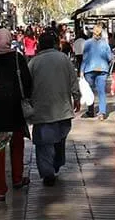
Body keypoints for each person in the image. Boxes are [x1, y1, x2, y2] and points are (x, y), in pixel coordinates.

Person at [0, 29, 33, 200]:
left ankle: (1, 189)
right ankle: (17, 178)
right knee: (17, 146)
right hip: (15, 110)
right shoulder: (18, 58)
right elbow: (27, 83)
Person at [28, 31, 81, 186]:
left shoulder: (33, 63)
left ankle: (47, 172)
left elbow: (27, 86)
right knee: (59, 140)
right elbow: (73, 80)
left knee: (44, 144)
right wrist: (76, 98)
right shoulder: (64, 59)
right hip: (62, 109)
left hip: (42, 110)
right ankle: (55, 165)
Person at [81, 24, 112, 120]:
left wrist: (81, 70)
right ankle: (102, 113)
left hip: (89, 69)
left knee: (89, 91)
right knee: (101, 92)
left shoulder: (87, 43)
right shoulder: (105, 44)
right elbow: (110, 57)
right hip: (103, 69)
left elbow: (85, 58)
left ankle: (91, 111)